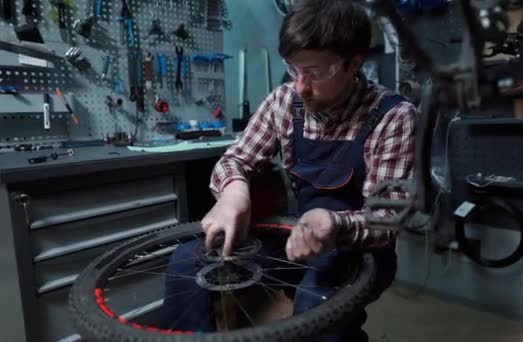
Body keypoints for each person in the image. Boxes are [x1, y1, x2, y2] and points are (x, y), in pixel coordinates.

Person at [163, 0, 417, 340]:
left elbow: (386, 218)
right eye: (293, 69)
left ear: (354, 63)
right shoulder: (284, 102)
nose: (300, 86)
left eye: (314, 73)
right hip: (293, 236)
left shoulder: (393, 116)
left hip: (358, 247)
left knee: (317, 307)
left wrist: (333, 224)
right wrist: (233, 191)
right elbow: (235, 159)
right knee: (185, 264)